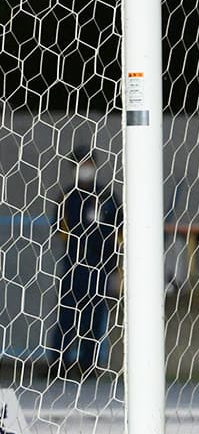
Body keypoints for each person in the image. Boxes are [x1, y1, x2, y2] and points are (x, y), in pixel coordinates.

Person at [48, 146, 121, 375]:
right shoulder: (67, 197)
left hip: (101, 267)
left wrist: (116, 264)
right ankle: (58, 364)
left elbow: (119, 230)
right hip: (75, 267)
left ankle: (88, 365)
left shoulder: (107, 196)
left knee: (94, 318)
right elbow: (60, 229)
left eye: (89, 164)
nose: (85, 169)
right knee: (68, 316)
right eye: (81, 164)